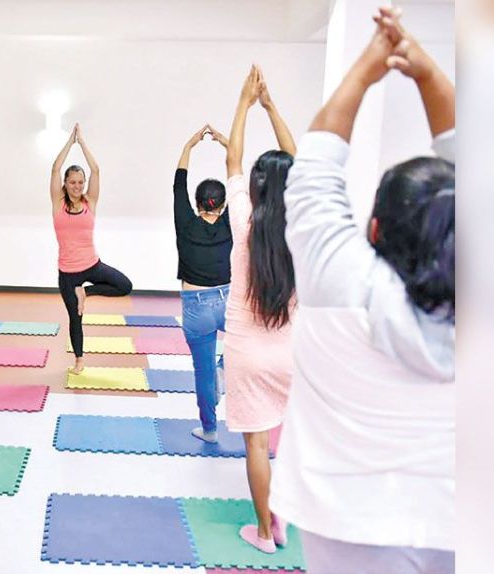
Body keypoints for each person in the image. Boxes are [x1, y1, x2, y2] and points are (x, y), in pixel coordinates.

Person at [270, 8, 455, 573]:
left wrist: (371, 65)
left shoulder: (340, 286)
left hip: (345, 527)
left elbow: (312, 172)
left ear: (373, 229)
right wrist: (427, 73)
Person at [222, 65, 298, 553]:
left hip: (246, 352)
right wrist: (271, 107)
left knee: (257, 443)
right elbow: (299, 164)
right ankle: (282, 518)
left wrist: (244, 103)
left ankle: (265, 533)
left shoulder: (243, 218)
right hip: (292, 354)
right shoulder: (305, 225)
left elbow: (232, 158)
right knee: (288, 441)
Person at [50, 123, 133, 374]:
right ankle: (79, 360)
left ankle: (86, 292)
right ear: (65, 184)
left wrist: (82, 142)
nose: (76, 186)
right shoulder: (58, 203)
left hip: (92, 265)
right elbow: (55, 168)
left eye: (80, 182)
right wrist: (70, 142)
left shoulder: (90, 202)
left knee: (125, 286)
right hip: (68, 273)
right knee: (75, 318)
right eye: (72, 182)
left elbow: (96, 169)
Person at [173, 124, 233, 442]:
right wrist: (226, 144)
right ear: (222, 205)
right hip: (228, 300)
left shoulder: (185, 222)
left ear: (197, 203)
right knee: (249, 341)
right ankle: (226, 369)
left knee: (203, 372)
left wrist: (189, 145)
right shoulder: (230, 222)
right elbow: (238, 180)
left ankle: (209, 429)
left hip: (195, 306)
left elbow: (178, 184)